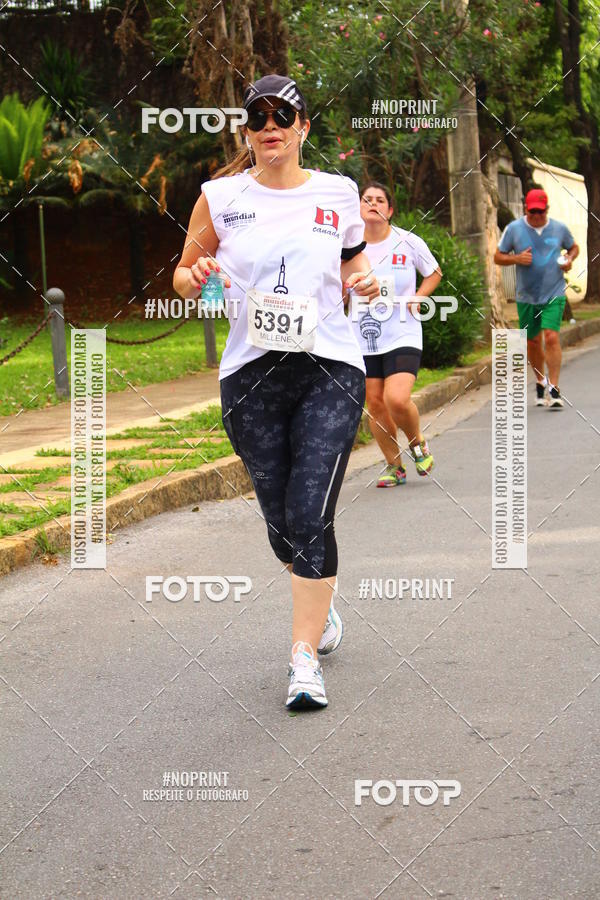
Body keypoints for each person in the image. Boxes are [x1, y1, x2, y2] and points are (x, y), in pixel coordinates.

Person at [173, 75, 379, 710]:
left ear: (302, 128)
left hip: (329, 367)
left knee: (311, 510)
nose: (271, 125)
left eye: (282, 115)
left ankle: (302, 657)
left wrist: (365, 279)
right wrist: (197, 273)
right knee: (282, 522)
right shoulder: (219, 197)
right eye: (258, 116)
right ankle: (320, 603)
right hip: (251, 376)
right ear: (247, 130)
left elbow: (352, 261)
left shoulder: (338, 194)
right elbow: (184, 278)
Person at [349, 182, 442, 487]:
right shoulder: (347, 246)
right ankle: (394, 467)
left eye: (380, 200)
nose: (372, 204)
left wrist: (419, 295)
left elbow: (434, 273)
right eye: (367, 200)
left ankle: (417, 443)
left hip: (403, 330)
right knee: (375, 403)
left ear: (389, 210)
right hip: (362, 334)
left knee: (396, 398)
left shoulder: (407, 241)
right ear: (358, 208)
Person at [494, 188, 579, 409]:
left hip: (554, 292)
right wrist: (516, 258)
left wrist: (569, 258)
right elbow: (497, 256)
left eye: (540, 212)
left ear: (547, 210)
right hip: (527, 296)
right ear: (525, 209)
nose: (537, 216)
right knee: (532, 341)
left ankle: (555, 388)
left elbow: (573, 247)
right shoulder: (514, 229)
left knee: (551, 337)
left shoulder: (558, 229)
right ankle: (540, 381)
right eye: (532, 212)